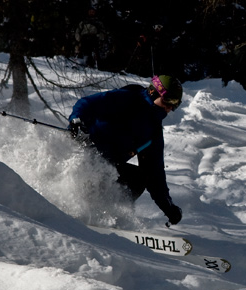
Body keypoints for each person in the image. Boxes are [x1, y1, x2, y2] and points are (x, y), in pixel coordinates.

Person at [68, 75, 184, 225]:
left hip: (106, 169)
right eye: (168, 100)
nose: (170, 107)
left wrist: (168, 207)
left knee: (139, 178)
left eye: (176, 104)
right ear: (153, 92)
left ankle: (105, 217)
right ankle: (74, 209)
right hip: (82, 154)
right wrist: (76, 120)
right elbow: (87, 103)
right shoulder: (128, 99)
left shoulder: (153, 132)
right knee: (91, 170)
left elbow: (154, 173)